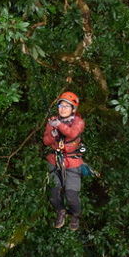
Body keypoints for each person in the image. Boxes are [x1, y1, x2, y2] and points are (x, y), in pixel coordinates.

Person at [44, 91, 85, 230]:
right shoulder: (53, 121)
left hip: (72, 162)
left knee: (71, 195)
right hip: (55, 160)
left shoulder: (78, 122)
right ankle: (60, 211)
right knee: (53, 193)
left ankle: (75, 215)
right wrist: (52, 135)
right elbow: (45, 141)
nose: (62, 108)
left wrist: (59, 126)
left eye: (67, 106)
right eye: (61, 105)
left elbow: (72, 133)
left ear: (73, 109)